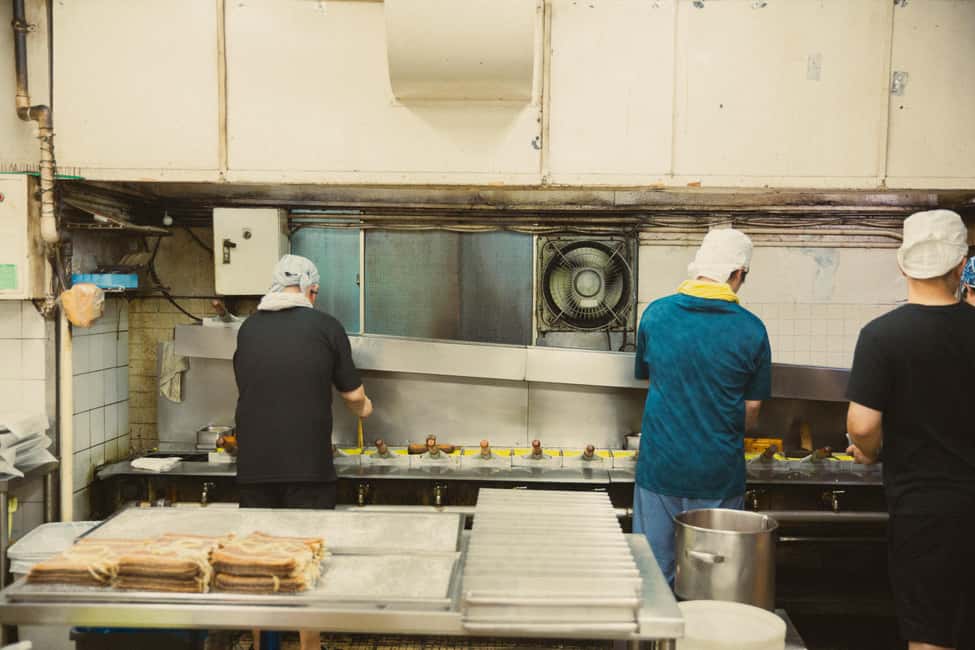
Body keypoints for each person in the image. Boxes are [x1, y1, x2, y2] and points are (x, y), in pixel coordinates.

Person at [846, 209, 975, 650]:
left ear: (903, 266)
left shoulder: (882, 336)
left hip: (926, 514)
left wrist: (870, 450)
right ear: (960, 265)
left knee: (930, 637)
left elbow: (862, 424)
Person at [232, 254, 373, 650]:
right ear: (312, 290)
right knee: (307, 558)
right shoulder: (326, 326)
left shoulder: (248, 328)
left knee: (258, 561)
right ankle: (309, 645)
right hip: (308, 465)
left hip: (255, 465)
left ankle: (262, 644)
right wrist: (365, 409)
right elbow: (353, 395)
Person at [633, 228, 771, 584]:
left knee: (653, 578)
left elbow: (651, 380)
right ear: (738, 273)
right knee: (714, 584)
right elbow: (752, 411)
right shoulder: (752, 330)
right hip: (717, 475)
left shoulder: (655, 315)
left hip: (661, 468)